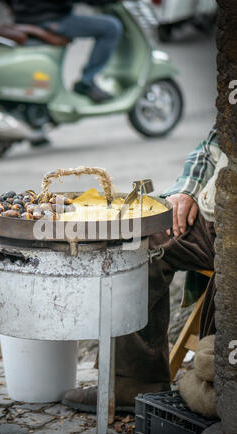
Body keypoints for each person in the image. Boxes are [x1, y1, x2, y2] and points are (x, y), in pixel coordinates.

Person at [62, 125, 228, 413]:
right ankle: (134, 381)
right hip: (211, 217)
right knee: (136, 237)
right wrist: (187, 189)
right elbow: (211, 146)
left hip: (231, 230)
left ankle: (219, 385)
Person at [4, 1, 123, 102]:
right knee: (111, 27)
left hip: (24, 17)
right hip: (49, 18)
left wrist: (12, 6)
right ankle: (86, 82)